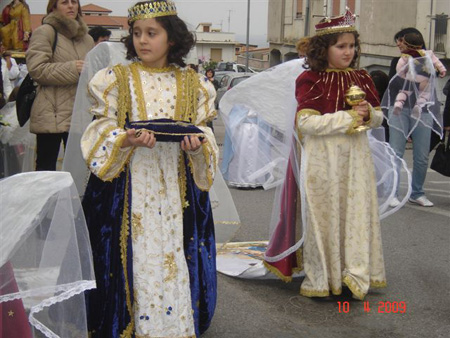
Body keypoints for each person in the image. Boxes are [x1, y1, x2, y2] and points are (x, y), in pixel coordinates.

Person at [80, 1, 218, 336]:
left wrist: (197, 147)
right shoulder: (116, 79)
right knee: (136, 254)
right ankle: (133, 323)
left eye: (152, 33)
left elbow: (204, 131)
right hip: (129, 185)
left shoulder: (193, 83)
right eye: (137, 33)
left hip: (173, 185)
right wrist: (123, 140)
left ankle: (172, 324)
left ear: (171, 38)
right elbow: (99, 129)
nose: (143, 40)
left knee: (171, 250)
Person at [264, 9, 387, 300]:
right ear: (324, 49)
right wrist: (347, 119)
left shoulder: (362, 77)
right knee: (324, 216)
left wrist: (368, 114)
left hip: (356, 160)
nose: (349, 52)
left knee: (356, 214)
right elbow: (305, 124)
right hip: (322, 161)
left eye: (352, 46)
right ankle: (324, 275)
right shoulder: (310, 79)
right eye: (341, 46)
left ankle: (355, 272)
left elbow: (380, 117)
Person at [25, 0, 94, 171]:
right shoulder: (45, 32)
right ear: (53, 7)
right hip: (51, 113)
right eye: (64, 2)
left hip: (80, 113)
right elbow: (36, 69)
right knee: (46, 171)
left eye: (74, 2)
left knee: (80, 169)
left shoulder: (87, 39)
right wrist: (73, 68)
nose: (71, 6)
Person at [383, 27, 443, 207]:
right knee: (396, 152)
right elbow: (396, 84)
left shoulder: (428, 58)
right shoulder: (398, 60)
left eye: (401, 40)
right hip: (399, 109)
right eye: (398, 41)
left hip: (423, 109)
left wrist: (435, 69)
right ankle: (392, 193)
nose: (398, 44)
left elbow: (435, 74)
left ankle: (417, 192)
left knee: (422, 155)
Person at [392, 32, 446, 115]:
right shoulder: (428, 54)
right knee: (425, 94)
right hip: (425, 80)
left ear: (406, 45)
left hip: (411, 78)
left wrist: (403, 77)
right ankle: (418, 106)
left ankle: (399, 103)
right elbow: (437, 62)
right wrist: (442, 70)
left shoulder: (406, 57)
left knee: (404, 92)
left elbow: (399, 69)